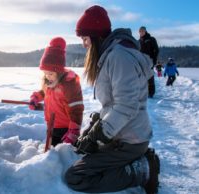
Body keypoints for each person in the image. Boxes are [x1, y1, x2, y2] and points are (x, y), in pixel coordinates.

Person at [64, 5, 160, 194]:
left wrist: (100, 133)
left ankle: (143, 170)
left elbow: (127, 105)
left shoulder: (118, 57)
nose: (84, 44)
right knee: (84, 151)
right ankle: (137, 160)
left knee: (76, 177)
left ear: (97, 36)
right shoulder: (111, 55)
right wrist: (97, 123)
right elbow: (115, 103)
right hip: (123, 134)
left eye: (85, 38)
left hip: (129, 140)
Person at [29, 37, 84, 147]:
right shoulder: (49, 82)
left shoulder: (69, 85)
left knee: (63, 155)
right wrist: (36, 98)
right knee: (50, 152)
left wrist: (73, 131)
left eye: (50, 74)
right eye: (45, 73)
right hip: (51, 125)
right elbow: (45, 93)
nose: (47, 76)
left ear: (58, 71)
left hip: (65, 128)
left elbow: (76, 109)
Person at [139, 26, 159, 98]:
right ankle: (143, 92)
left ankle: (151, 93)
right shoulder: (139, 41)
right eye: (140, 31)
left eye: (142, 31)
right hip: (141, 61)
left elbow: (156, 50)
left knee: (150, 76)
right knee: (141, 77)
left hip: (149, 60)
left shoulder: (151, 39)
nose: (141, 32)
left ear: (145, 31)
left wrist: (154, 60)